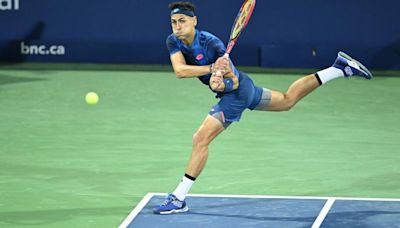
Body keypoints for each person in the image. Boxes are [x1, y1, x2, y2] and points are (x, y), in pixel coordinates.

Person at [153, 1, 372, 215]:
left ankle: (179, 198)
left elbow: (234, 82)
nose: (177, 26)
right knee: (287, 100)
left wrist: (223, 81)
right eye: (174, 22)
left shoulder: (213, 44)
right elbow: (180, 71)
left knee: (200, 139)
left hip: (237, 93)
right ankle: (338, 69)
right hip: (244, 89)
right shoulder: (173, 41)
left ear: (194, 21)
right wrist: (212, 71)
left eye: (182, 21)